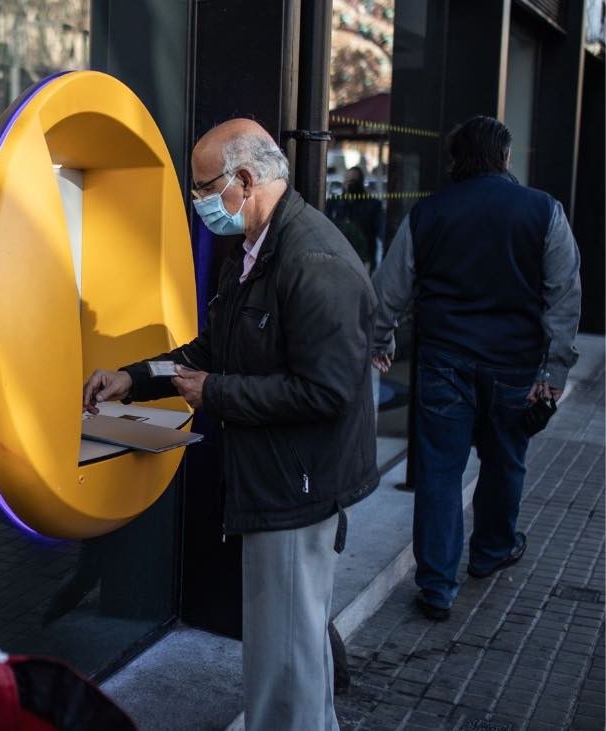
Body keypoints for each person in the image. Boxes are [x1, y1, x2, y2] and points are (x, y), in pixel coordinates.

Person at [83, 118, 378, 730]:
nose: (198, 204)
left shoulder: (311, 259)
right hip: (272, 481)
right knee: (290, 656)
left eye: (203, 187)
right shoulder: (252, 250)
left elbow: (326, 391)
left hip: (294, 489)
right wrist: (136, 378)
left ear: (245, 179)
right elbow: (208, 350)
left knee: (286, 668)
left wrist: (217, 393)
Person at [371, 115, 581, 622]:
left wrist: (381, 338)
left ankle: (437, 586)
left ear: (455, 159)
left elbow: (388, 291)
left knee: (440, 473)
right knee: (506, 460)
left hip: (445, 363)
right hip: (515, 365)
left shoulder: (429, 213)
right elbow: (564, 298)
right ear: (504, 157)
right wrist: (552, 375)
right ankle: (490, 552)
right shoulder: (543, 211)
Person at [326, 166, 384, 269]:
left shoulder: (372, 206)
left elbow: (379, 233)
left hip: (362, 259)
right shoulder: (334, 203)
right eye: (347, 180)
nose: (349, 184)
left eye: (353, 181)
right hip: (337, 258)